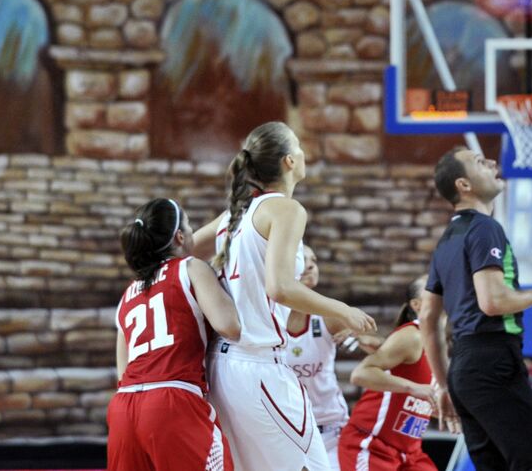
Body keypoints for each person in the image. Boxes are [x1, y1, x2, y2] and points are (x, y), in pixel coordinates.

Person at [197, 122, 378, 471]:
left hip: (224, 366)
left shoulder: (235, 215)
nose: (304, 153)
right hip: (257, 364)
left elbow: (184, 251)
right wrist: (343, 309)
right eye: (299, 146)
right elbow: (279, 287)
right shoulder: (285, 209)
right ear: (289, 161)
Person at [419, 146, 532, 471]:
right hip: (493, 363)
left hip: (463, 370)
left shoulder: (447, 240)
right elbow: (493, 302)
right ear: (464, 185)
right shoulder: (484, 227)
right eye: (479, 162)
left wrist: (443, 383)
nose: (492, 163)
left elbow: (427, 318)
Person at [109, 198, 240, 471]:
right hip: (172, 402)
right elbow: (230, 326)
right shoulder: (190, 267)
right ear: (180, 236)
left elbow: (123, 372)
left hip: (124, 407)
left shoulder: (128, 293)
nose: (194, 233)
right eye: (190, 226)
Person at [284, 244, 384, 471]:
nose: (311, 265)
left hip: (329, 427)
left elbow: (386, 350)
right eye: (303, 259)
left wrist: (366, 340)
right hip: (286, 426)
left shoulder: (330, 315)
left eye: (314, 260)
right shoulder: (269, 318)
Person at [340, 276, 438, 471]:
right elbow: (360, 374)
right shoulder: (413, 335)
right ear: (417, 305)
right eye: (433, 287)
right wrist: (412, 387)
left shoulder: (438, 341)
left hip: (410, 453)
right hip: (372, 445)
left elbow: (425, 400)